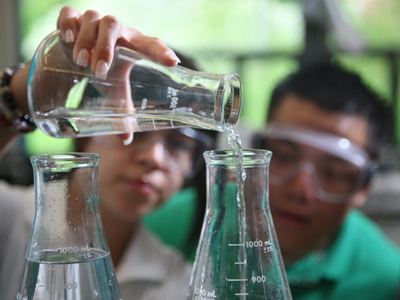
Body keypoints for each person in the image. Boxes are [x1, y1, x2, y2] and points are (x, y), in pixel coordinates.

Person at [0, 7, 217, 300]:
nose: (153, 158)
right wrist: (18, 94)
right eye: (134, 128)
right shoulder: (10, 220)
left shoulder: (177, 283)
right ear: (83, 129)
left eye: (178, 145)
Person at [252, 62, 400, 299]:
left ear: (363, 187)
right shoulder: (183, 224)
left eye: (333, 173)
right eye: (283, 156)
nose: (300, 190)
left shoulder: (388, 283)